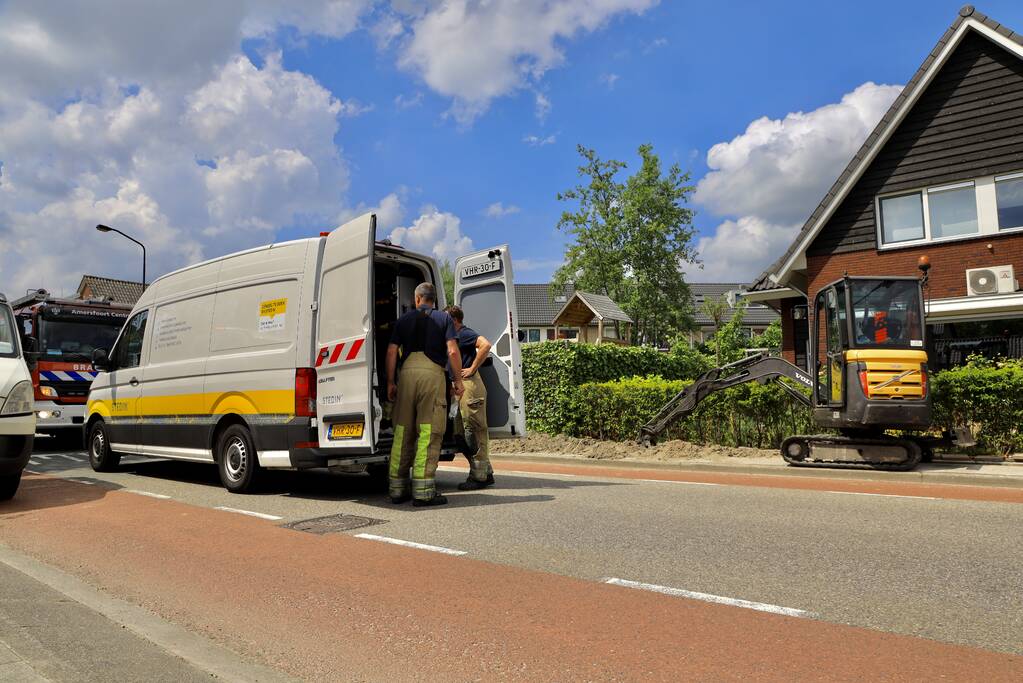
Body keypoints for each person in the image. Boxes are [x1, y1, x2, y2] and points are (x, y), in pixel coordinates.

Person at [385, 283, 464, 507]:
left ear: (417, 299)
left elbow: (392, 351)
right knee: (428, 431)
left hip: (407, 373)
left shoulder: (403, 320)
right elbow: (452, 350)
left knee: (402, 431)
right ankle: (423, 490)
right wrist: (457, 381)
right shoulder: (444, 319)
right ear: (434, 300)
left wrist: (391, 381)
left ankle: (398, 488)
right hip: (432, 375)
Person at [445, 305, 495, 490]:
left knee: (473, 431)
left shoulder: (464, 333)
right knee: (461, 435)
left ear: (454, 320)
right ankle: (485, 471)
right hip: (461, 388)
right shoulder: (452, 337)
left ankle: (479, 477)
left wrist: (472, 368)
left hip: (470, 387)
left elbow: (486, 345)